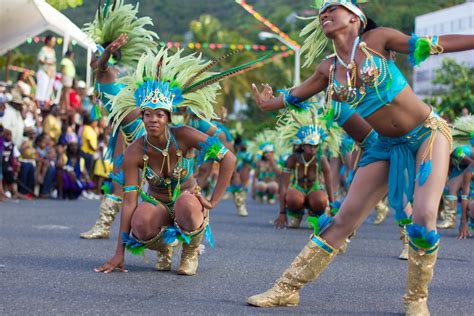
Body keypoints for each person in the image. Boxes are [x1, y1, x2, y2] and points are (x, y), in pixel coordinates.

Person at [246, 1, 473, 314]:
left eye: (332, 9)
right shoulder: (329, 67)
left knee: (423, 218)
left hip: (427, 134)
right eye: (321, 12)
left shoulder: (377, 41)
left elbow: (437, 45)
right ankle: (287, 289)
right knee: (342, 221)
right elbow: (296, 94)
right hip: (385, 145)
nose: (324, 15)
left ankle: (416, 300)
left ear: (355, 17)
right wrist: (269, 103)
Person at [94, 49, 236, 275]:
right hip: (157, 203)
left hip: (187, 201)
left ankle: (190, 251)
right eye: (148, 114)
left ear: (168, 117)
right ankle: (166, 247)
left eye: (159, 114)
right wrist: (119, 252)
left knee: (186, 204)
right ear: (141, 116)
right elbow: (129, 202)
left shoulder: (185, 135)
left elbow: (228, 157)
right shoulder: (135, 151)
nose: (153, 120)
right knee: (139, 222)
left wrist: (213, 200)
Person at [80, 0, 158, 239]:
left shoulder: (106, 71)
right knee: (118, 178)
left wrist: (106, 50)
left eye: (96, 54)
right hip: (124, 132)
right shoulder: (109, 75)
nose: (93, 59)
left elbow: (102, 62)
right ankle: (104, 226)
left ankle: (164, 231)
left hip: (138, 131)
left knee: (153, 180)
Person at [275, 109, 337, 229]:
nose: (313, 149)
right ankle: (296, 215)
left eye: (315, 146)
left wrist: (333, 207)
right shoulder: (292, 159)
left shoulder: (322, 160)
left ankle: (314, 216)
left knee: (320, 200)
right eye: (310, 145)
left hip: (315, 190)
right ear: (303, 145)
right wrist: (282, 212)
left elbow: (329, 185)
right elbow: (283, 185)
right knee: (293, 198)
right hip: (297, 189)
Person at [35, 35, 57, 109]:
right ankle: (39, 106)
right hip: (44, 72)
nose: (54, 43)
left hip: (51, 73)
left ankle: (45, 106)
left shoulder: (53, 51)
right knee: (42, 89)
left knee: (48, 90)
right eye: (52, 41)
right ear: (48, 41)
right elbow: (40, 60)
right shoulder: (43, 49)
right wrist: (49, 63)